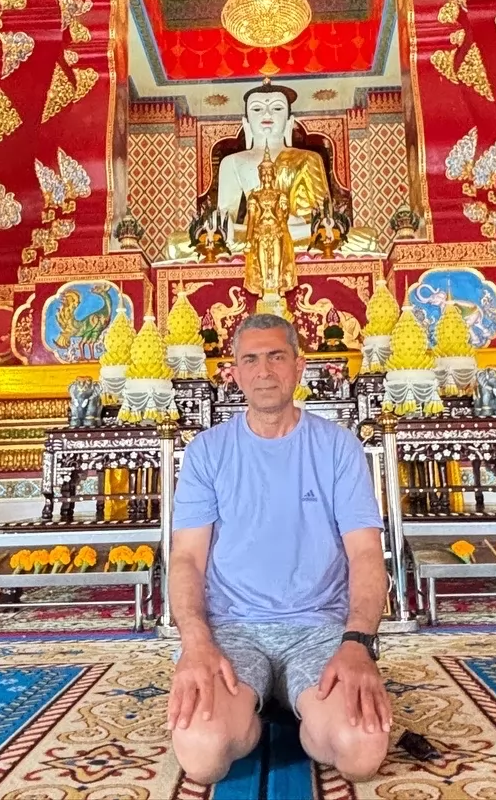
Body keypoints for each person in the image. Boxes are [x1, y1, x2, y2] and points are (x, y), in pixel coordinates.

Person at [166, 312, 391, 783]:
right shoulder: (207, 451)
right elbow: (186, 558)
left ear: (299, 365)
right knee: (202, 756)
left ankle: (298, 709)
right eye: (250, 359)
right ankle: (258, 712)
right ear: (234, 371)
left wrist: (357, 644)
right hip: (232, 628)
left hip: (319, 628)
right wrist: (196, 642)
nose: (264, 371)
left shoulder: (337, 447)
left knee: (361, 751)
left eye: (276, 356)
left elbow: (366, 554)